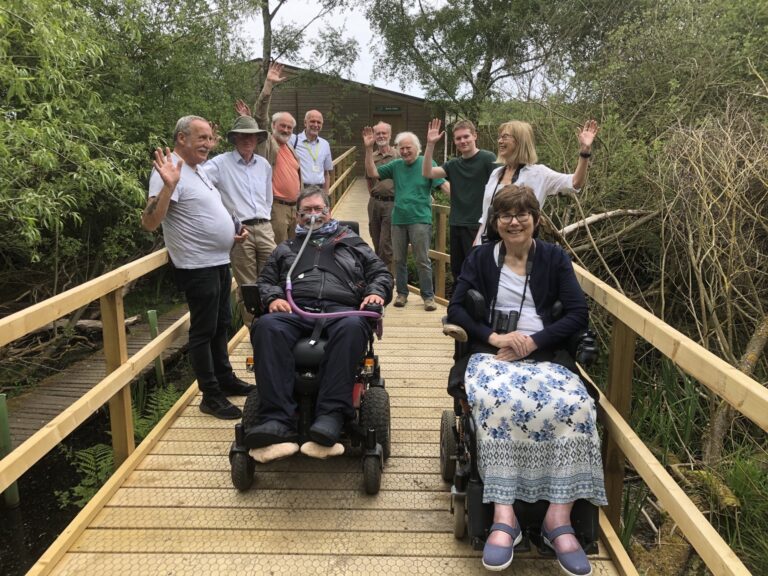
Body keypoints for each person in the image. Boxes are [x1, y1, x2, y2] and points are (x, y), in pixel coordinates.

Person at [447, 185, 607, 574]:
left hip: (545, 352)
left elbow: (577, 313)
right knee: (498, 402)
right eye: (506, 215)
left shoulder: (554, 258)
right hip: (493, 354)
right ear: (496, 222)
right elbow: (456, 307)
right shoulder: (482, 257)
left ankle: (558, 518)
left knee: (576, 407)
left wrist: (533, 341)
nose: (514, 222)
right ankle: (505, 516)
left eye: (522, 214)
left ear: (535, 219)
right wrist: (495, 338)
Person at [249, 186, 393, 448]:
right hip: (295, 307)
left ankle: (332, 414)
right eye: (307, 210)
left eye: (318, 209)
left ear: (329, 211)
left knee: (353, 327)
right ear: (297, 216)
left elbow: (381, 274)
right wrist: (273, 298)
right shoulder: (286, 248)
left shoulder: (353, 243)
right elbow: (265, 281)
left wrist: (375, 292)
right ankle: (277, 419)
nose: (313, 214)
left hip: (342, 309)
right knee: (266, 326)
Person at [141, 116, 254, 420]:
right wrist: (168, 187)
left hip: (218, 260)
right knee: (204, 330)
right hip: (196, 265)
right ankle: (210, 395)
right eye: (202, 138)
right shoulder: (169, 172)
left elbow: (203, 210)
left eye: (210, 138)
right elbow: (149, 223)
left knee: (221, 324)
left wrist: (231, 231)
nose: (209, 144)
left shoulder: (197, 169)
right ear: (182, 138)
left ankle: (225, 379)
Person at [362, 128, 449, 311]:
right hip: (398, 218)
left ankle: (428, 297)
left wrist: (461, 200)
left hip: (420, 218)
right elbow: (372, 172)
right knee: (399, 259)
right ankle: (402, 294)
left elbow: (442, 184)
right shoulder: (396, 165)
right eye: (401, 148)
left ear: (417, 148)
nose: (405, 151)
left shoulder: (426, 162)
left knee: (422, 260)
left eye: (408, 147)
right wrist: (369, 149)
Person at [475, 119, 600, 244]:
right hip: (486, 246)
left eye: (505, 137)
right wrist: (476, 242)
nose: (500, 141)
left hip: (518, 247)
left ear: (520, 141)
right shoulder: (496, 174)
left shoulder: (539, 173)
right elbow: (486, 215)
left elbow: (575, 182)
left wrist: (585, 152)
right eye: (500, 137)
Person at [202, 116, 276, 321]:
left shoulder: (263, 165)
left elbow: (268, 197)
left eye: (251, 136)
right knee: (247, 285)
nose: (247, 140)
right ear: (234, 138)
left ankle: (272, 324)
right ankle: (254, 329)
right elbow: (198, 181)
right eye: (242, 136)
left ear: (257, 139)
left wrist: (266, 218)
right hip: (240, 230)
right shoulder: (220, 163)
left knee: (272, 277)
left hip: (264, 226)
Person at [422, 118, 497, 283]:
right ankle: (459, 300)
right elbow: (427, 172)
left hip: (480, 225)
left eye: (466, 136)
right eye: (458, 138)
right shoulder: (453, 165)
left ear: (475, 136)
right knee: (458, 271)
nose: (462, 141)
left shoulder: (488, 158)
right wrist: (430, 144)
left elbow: (501, 187)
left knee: (477, 271)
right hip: (457, 223)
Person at [236, 62, 304, 245]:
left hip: (294, 209)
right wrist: (268, 85)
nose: (286, 130)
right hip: (277, 208)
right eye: (282, 126)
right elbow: (260, 117)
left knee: (295, 250)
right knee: (279, 251)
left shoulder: (290, 148)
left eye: (289, 127)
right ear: (273, 126)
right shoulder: (267, 143)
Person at [365, 121, 399, 268]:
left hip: (391, 203)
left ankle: (385, 276)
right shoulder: (371, 156)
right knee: (376, 239)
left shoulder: (398, 155)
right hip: (374, 203)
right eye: (378, 133)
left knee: (386, 244)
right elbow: (368, 180)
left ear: (390, 135)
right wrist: (375, 196)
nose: (381, 136)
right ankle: (379, 273)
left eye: (384, 133)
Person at [292, 109, 333, 193]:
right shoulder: (293, 140)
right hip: (300, 189)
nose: (316, 125)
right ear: (305, 123)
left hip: (319, 190)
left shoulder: (325, 144)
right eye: (312, 121)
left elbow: (326, 173)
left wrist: (326, 195)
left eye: (319, 122)